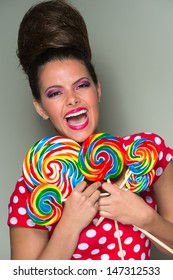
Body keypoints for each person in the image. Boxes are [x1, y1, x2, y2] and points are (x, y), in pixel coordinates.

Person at [8, 0, 173, 260]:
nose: (72, 99)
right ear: (40, 108)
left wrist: (144, 217)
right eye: (54, 93)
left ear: (98, 89)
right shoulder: (35, 184)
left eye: (81, 85)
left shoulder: (146, 154)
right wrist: (70, 224)